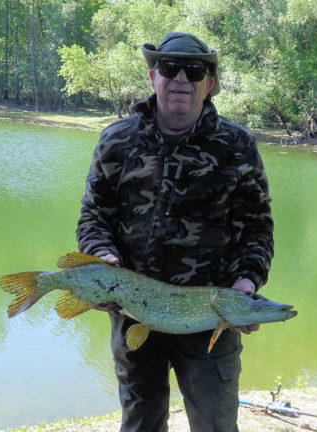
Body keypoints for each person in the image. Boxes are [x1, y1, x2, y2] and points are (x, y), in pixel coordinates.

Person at [76, 32, 274, 432]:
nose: (181, 78)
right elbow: (93, 217)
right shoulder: (117, 140)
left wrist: (247, 282)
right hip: (133, 310)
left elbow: (257, 227)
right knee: (141, 425)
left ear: (210, 83)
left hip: (210, 319)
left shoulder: (237, 146)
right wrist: (101, 257)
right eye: (170, 68)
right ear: (154, 77)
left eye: (195, 70)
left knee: (215, 426)